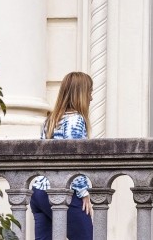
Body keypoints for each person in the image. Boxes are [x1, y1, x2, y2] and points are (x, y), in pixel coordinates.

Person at [30, 72, 95, 240]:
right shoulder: (76, 120)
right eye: (89, 92)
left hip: (39, 192)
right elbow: (73, 159)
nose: (91, 98)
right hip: (65, 190)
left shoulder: (50, 120)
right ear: (80, 94)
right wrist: (83, 192)